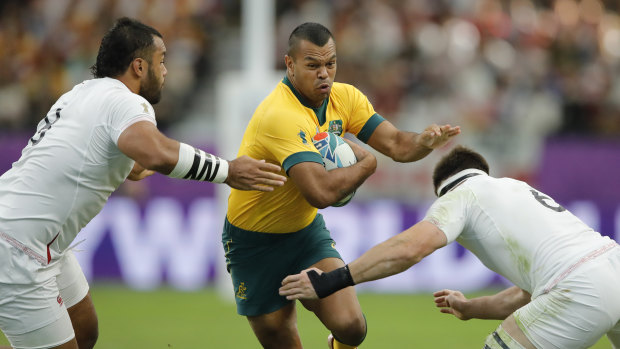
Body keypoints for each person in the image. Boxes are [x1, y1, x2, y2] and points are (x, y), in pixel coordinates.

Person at [0, 17, 287, 349]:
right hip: (20, 247)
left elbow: (83, 155)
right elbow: (156, 152)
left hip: (34, 238)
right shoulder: (127, 102)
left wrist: (124, 165)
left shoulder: (81, 94)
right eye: (161, 60)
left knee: (85, 332)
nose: (166, 70)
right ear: (139, 66)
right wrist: (229, 171)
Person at [222, 22, 460, 349]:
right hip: (253, 241)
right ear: (289, 65)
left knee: (352, 327)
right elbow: (320, 193)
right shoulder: (280, 115)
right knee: (281, 339)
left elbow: (396, 144)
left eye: (330, 63)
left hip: (304, 234)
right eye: (313, 65)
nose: (324, 74)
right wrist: (368, 164)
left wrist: (423, 141)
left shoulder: (345, 98)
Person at [279, 145, 620, 349]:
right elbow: (530, 295)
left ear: (441, 190)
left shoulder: (460, 196)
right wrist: (471, 308)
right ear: (482, 171)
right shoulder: (514, 188)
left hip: (578, 286)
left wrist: (330, 281)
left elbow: (409, 249)